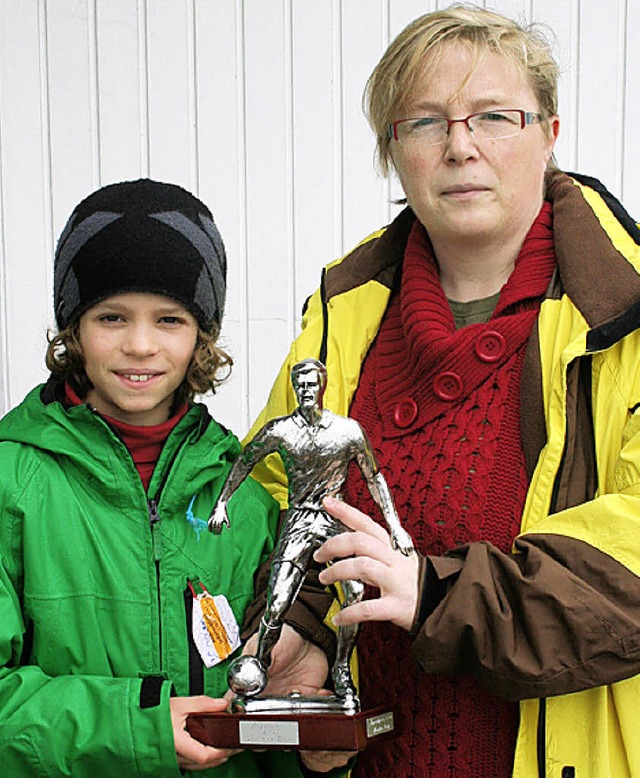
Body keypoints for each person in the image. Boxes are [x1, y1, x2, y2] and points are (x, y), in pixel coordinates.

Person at [242, 5, 640, 778]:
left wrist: (435, 590)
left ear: (549, 135)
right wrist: (306, 639)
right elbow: (278, 505)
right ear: (394, 151)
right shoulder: (344, 313)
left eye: (494, 116)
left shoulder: (622, 311)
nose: (461, 147)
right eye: (425, 122)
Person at [0, 179, 313, 777]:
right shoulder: (11, 480)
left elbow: (273, 699)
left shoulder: (248, 495)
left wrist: (319, 759)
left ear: (202, 335)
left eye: (169, 319)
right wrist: (138, 726)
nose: (140, 345)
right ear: (73, 328)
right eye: (111, 316)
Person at [209, 358, 413, 709]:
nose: (305, 391)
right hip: (299, 521)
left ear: (322, 386)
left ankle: (341, 669)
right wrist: (222, 503)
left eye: (310, 384)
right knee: (276, 604)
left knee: (355, 593)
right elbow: (246, 462)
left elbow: (374, 477)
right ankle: (261, 662)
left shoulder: (347, 432)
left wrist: (395, 528)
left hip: (334, 518)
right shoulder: (280, 430)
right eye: (299, 385)